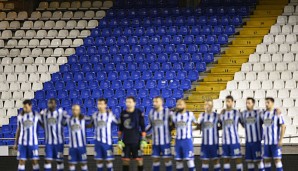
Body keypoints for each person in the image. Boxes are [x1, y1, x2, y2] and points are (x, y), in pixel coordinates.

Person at [118, 96, 147, 171]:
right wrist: (119, 140)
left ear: (134, 103)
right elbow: (120, 129)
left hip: (137, 141)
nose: (128, 103)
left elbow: (143, 128)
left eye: (130, 102)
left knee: (139, 160)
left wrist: (143, 140)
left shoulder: (138, 112)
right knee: (125, 161)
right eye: (127, 102)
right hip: (126, 142)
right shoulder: (123, 113)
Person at [90, 98, 118, 171]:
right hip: (98, 143)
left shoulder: (110, 115)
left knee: (109, 161)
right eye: (99, 104)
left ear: (105, 105)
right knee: (99, 161)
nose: (100, 106)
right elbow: (89, 124)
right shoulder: (94, 115)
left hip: (107, 143)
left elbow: (118, 123)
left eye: (102, 104)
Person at [40, 98, 68, 171]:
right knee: (48, 160)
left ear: (55, 104)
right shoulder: (44, 113)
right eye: (50, 103)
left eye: (53, 103)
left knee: (59, 161)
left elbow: (67, 121)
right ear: (48, 104)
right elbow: (39, 121)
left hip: (59, 142)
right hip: (49, 142)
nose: (51, 104)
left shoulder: (61, 112)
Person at [146, 96, 173, 171]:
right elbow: (151, 125)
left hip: (165, 141)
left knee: (167, 160)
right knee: (155, 160)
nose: (154, 103)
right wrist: (143, 131)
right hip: (155, 142)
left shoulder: (167, 112)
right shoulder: (151, 113)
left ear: (161, 102)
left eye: (156, 101)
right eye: (153, 101)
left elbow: (172, 123)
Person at [14, 100, 41, 171]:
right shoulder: (20, 116)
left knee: (34, 162)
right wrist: (16, 143)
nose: (24, 109)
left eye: (26, 107)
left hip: (33, 143)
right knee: (21, 161)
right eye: (23, 107)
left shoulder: (36, 115)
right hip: (22, 144)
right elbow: (18, 130)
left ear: (30, 106)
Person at [171, 99, 196, 171]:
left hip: (187, 141)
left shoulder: (190, 114)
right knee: (178, 161)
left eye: (180, 104)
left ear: (185, 105)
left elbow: (197, 124)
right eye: (177, 104)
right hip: (178, 141)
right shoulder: (174, 115)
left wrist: (192, 130)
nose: (178, 106)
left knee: (189, 161)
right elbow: (171, 126)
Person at [220, 96, 243, 171]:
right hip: (225, 142)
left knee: (238, 158)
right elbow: (220, 125)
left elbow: (243, 124)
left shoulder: (237, 113)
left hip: (234, 142)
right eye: (226, 101)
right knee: (226, 159)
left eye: (229, 101)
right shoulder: (222, 113)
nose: (227, 103)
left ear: (233, 102)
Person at [262, 97, 285, 171]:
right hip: (266, 143)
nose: (266, 104)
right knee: (266, 161)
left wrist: (281, 140)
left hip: (275, 142)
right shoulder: (264, 114)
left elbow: (283, 126)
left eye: (268, 102)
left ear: (272, 103)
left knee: (277, 160)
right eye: (266, 102)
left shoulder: (278, 113)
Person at [241, 97, 264, 171]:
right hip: (248, 142)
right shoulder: (244, 114)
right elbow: (242, 124)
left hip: (256, 142)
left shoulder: (258, 113)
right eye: (246, 103)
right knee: (249, 161)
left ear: (253, 104)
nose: (247, 104)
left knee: (259, 161)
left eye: (249, 103)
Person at [197, 100, 221, 171]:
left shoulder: (216, 115)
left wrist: (216, 128)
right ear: (204, 106)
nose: (207, 106)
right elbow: (198, 125)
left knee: (216, 160)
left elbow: (221, 125)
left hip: (214, 143)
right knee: (205, 161)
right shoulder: (202, 115)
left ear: (212, 106)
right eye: (206, 105)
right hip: (205, 144)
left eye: (209, 105)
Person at [66, 104, 89, 171]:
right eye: (74, 110)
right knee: (71, 164)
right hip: (72, 147)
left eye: (77, 110)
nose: (76, 111)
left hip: (82, 146)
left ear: (79, 111)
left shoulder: (84, 119)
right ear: (72, 111)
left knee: (83, 164)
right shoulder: (69, 120)